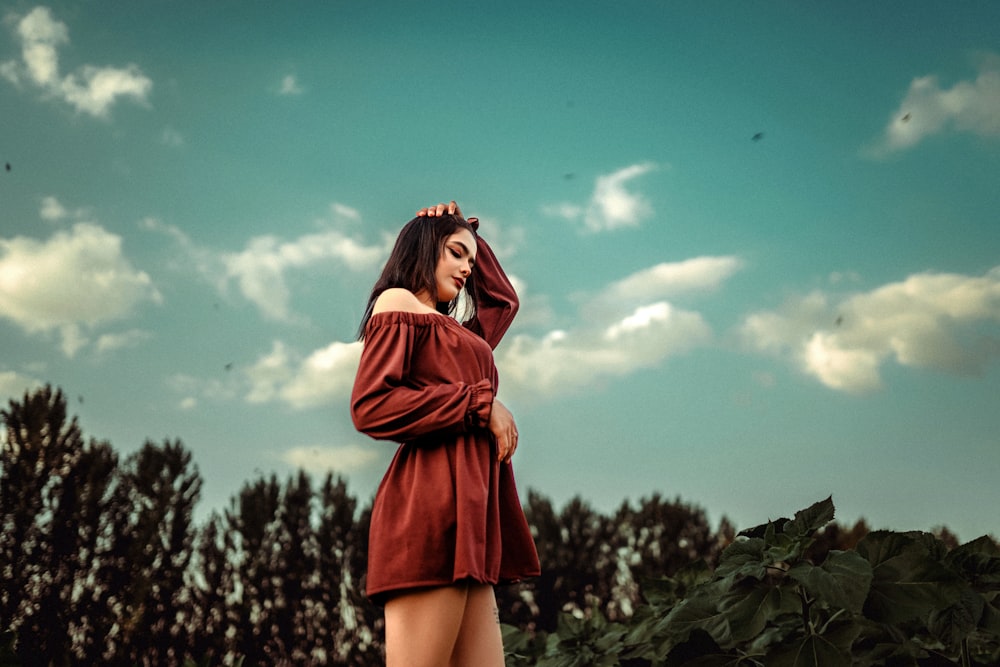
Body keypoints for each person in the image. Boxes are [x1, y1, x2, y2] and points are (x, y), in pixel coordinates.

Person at [351, 200, 540, 666]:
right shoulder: (398, 303)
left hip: (472, 529)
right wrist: (479, 405)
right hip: (430, 513)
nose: (466, 269)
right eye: (455, 253)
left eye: (471, 261)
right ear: (425, 248)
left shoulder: (457, 334)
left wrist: (470, 233)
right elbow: (371, 405)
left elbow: (503, 302)